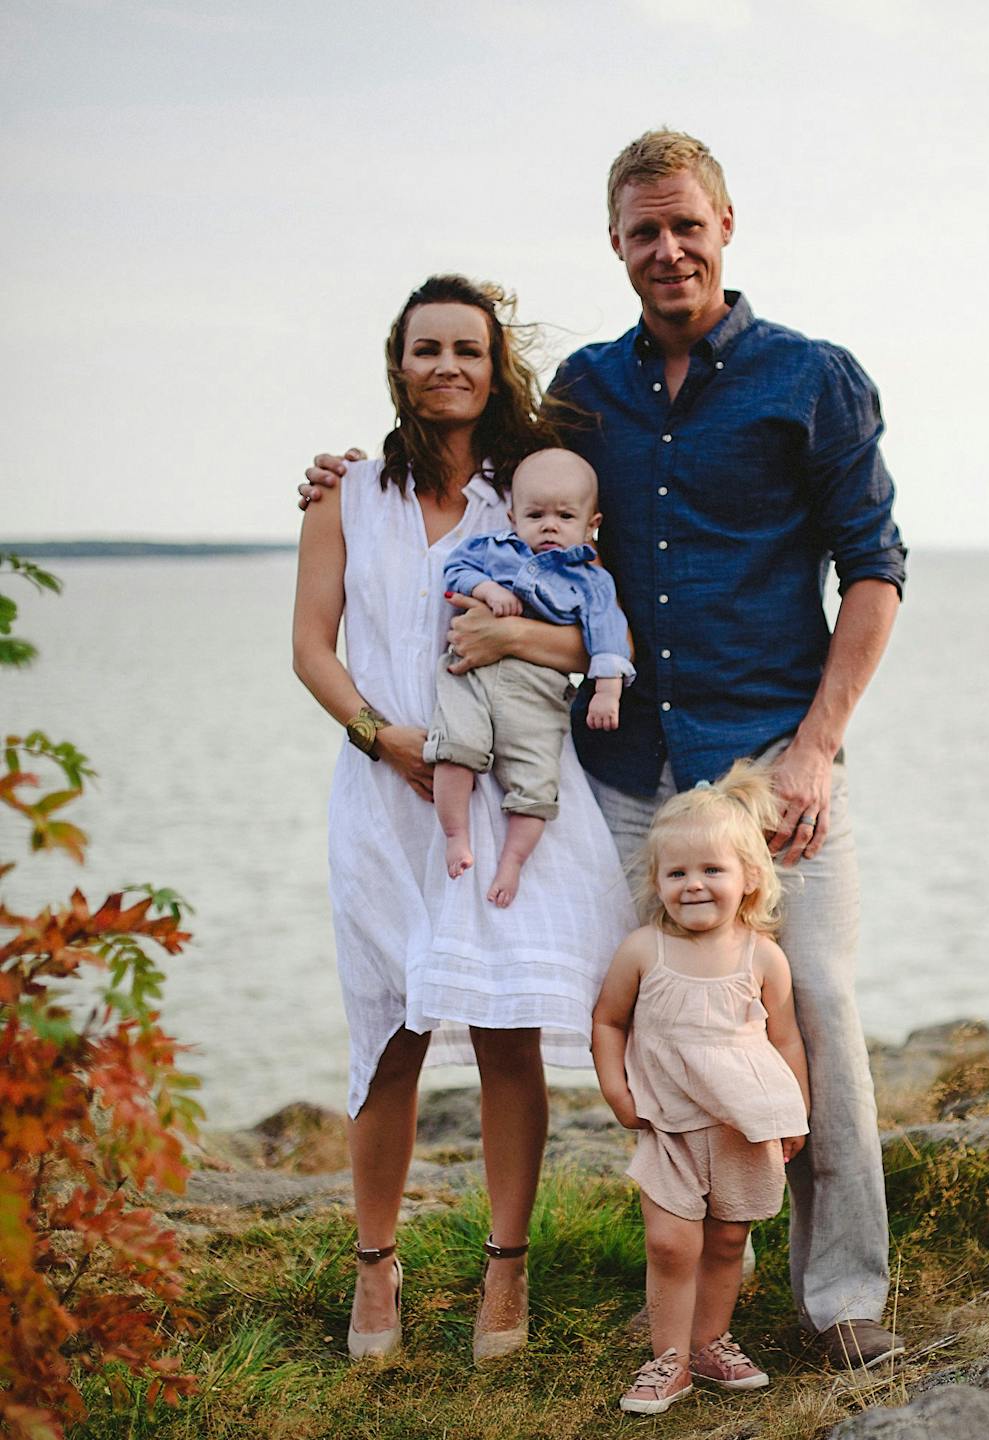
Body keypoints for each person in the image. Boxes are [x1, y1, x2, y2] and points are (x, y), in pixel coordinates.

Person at [299, 129, 906, 1370]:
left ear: (727, 225)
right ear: (617, 244)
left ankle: (843, 1295)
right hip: (622, 772)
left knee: (822, 1003)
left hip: (766, 761)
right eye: (643, 230)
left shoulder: (813, 377)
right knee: (658, 1017)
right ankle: (686, 1293)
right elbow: (498, 496)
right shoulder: (583, 392)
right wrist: (343, 472)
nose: (667, 248)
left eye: (686, 224)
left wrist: (818, 748)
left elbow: (877, 569)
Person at [292, 274, 632, 1364]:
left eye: (469, 350)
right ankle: (376, 1271)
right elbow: (310, 647)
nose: (448, 366)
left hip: (507, 790)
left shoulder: (529, 491)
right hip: (386, 797)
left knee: (505, 1033)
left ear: (496, 366)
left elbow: (593, 639)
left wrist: (509, 645)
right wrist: (381, 737)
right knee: (387, 1033)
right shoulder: (345, 496)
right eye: (427, 347)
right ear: (398, 360)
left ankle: (506, 1271)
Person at [592, 762, 809, 1414]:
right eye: (677, 872)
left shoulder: (762, 956)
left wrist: (792, 1111)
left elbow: (786, 1038)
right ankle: (669, 1361)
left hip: (742, 1126)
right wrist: (614, 1088)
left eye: (711, 870)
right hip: (668, 1124)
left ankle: (711, 1340)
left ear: (749, 879)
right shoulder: (642, 950)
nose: (693, 885)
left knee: (725, 1240)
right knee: (670, 1240)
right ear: (656, 881)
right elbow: (607, 1020)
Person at [428, 447, 633, 903]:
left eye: (565, 515)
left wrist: (607, 692)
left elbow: (609, 636)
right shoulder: (492, 551)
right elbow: (455, 569)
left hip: (539, 691)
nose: (549, 525)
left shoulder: (592, 580)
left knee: (537, 783)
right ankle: (456, 836)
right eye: (535, 514)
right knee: (453, 748)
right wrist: (484, 587)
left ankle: (512, 863)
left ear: (591, 523)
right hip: (471, 675)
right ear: (512, 515)